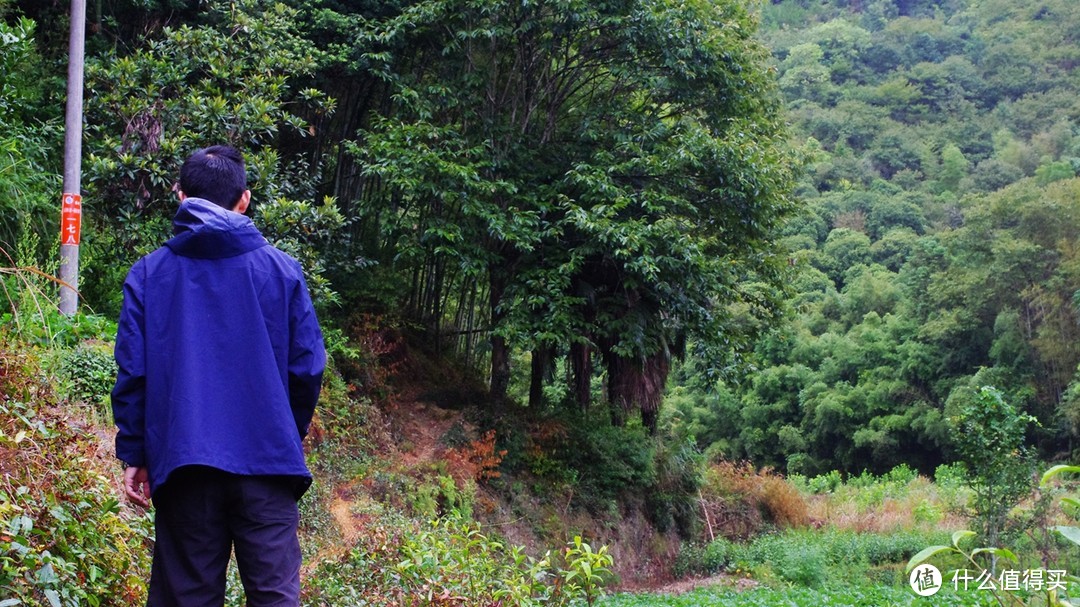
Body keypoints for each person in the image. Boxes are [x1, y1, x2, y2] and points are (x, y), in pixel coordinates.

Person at [112, 145, 326, 606]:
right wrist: (282, 430)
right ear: (244, 200)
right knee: (274, 599)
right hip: (268, 465)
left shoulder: (150, 274)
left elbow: (134, 372)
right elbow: (307, 367)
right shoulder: (282, 271)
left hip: (185, 467)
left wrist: (135, 452)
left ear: (181, 197)